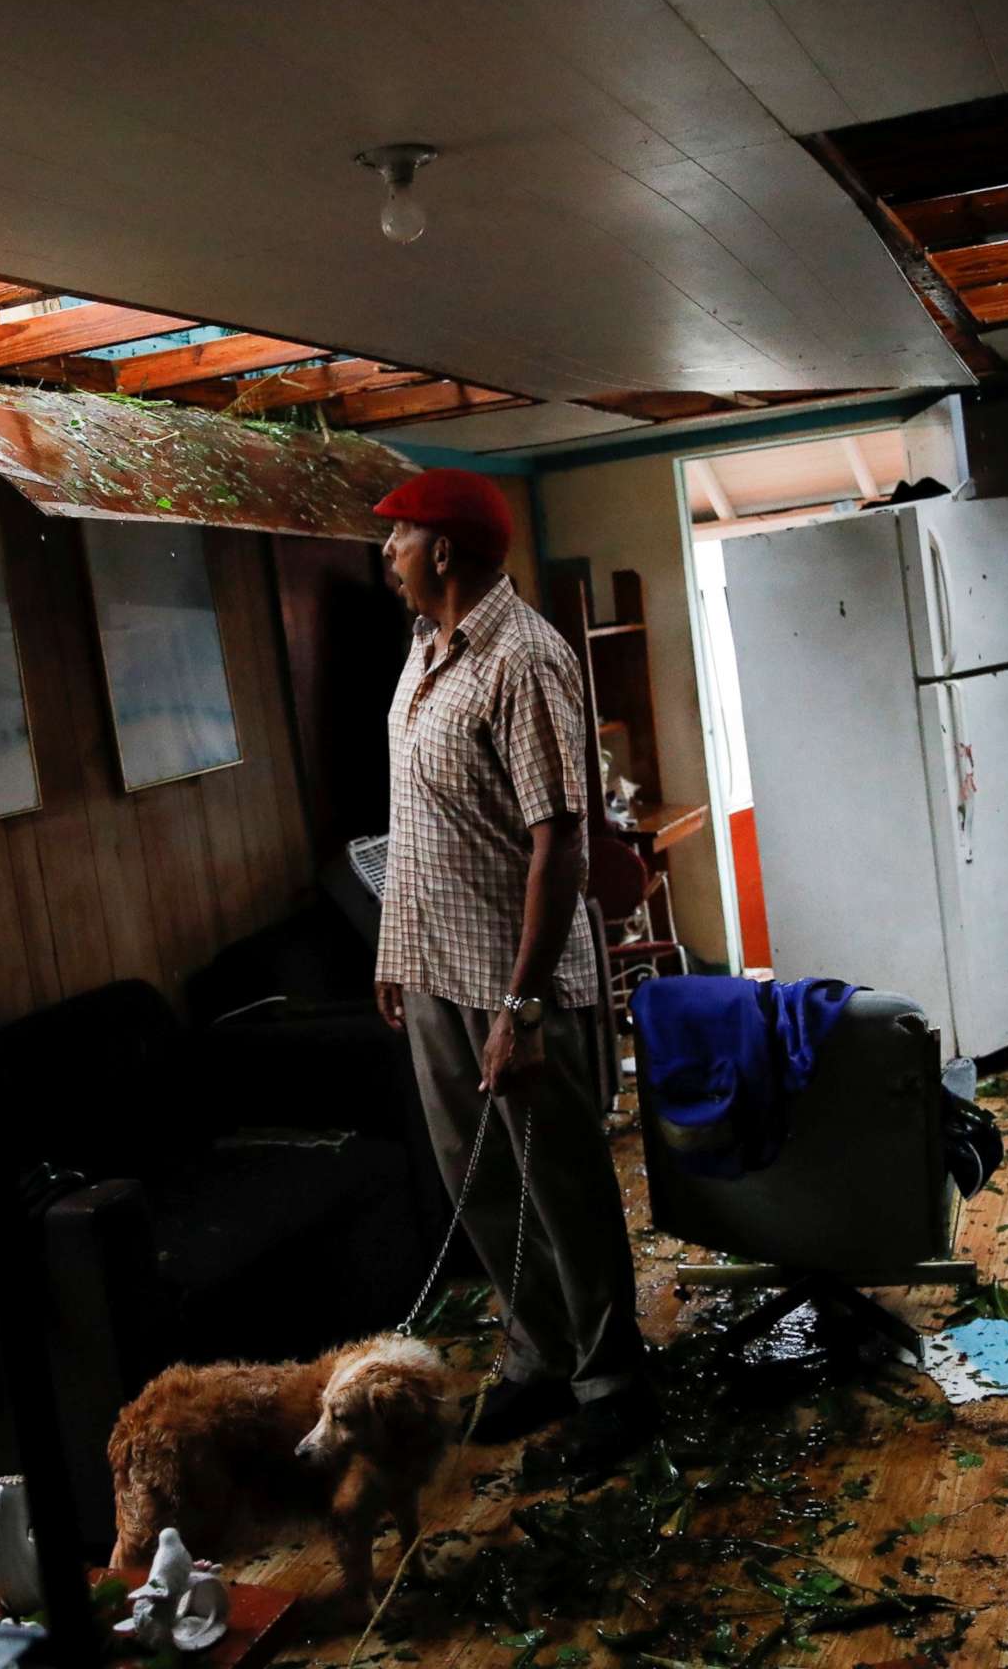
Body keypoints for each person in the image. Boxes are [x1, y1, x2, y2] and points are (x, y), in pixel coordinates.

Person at [370, 468, 654, 1458]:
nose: (386, 555)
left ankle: (614, 1379)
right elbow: (418, 822)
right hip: (435, 969)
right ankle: (541, 1359)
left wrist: (521, 1008)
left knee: (563, 1189)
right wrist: (392, 948)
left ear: (442, 549)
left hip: (517, 984)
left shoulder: (523, 657)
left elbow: (560, 846)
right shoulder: (421, 650)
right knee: (484, 1184)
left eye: (397, 538)